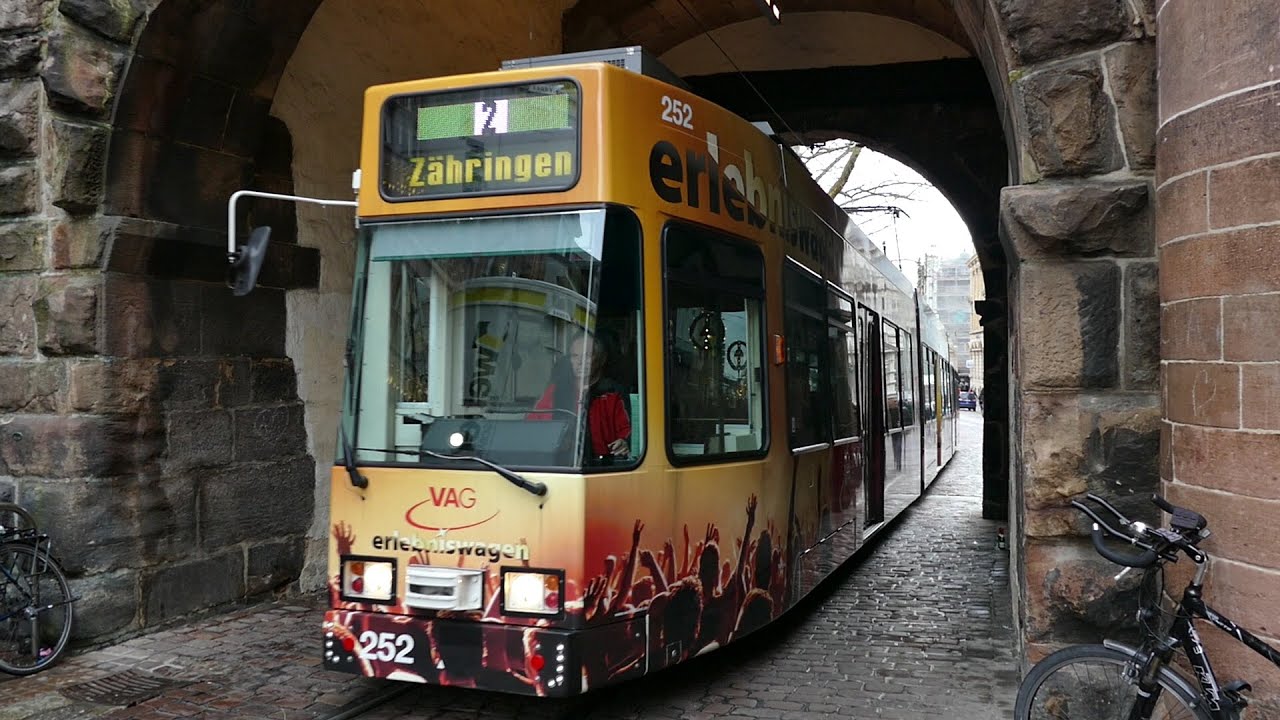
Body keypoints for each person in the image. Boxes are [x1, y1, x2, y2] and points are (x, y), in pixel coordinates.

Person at [529, 330, 631, 464]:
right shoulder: (556, 390)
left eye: (587, 356)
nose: (580, 362)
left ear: (600, 359)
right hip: (560, 467)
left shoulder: (613, 393)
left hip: (603, 468)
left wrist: (624, 443)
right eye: (575, 356)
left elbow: (630, 434)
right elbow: (533, 426)